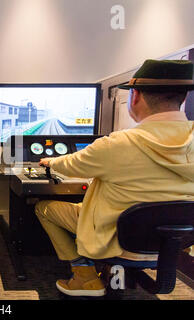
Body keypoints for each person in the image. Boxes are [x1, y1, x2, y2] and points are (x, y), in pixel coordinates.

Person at [35, 59, 194, 297]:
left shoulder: (117, 144)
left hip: (114, 237)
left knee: (44, 208)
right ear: (182, 99)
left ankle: (84, 277)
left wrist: (50, 162)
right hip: (175, 242)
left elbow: (70, 166)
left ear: (135, 96)